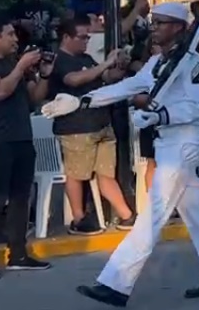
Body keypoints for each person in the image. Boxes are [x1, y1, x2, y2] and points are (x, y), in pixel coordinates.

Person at [40, 2, 199, 307]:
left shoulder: (193, 64)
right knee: (196, 212)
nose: (154, 26)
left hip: (182, 144)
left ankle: (115, 282)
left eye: (162, 22)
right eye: (155, 21)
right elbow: (130, 85)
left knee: (154, 214)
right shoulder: (159, 63)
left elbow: (196, 109)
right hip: (167, 142)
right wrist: (84, 101)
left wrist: (160, 115)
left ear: (179, 28)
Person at [0, 18, 53, 280]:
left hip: (21, 137)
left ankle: (18, 254)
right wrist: (20, 67)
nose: (16, 40)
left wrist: (45, 74)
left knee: (20, 198)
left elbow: (35, 97)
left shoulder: (12, 62)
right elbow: (0, 91)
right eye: (10, 34)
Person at [48, 15, 136, 234]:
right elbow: (74, 80)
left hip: (101, 123)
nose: (86, 41)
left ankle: (126, 215)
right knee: (76, 174)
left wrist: (120, 66)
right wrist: (105, 63)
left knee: (106, 173)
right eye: (82, 37)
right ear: (66, 37)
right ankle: (79, 218)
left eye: (88, 37)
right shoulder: (59, 60)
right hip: (75, 127)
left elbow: (106, 77)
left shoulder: (85, 57)